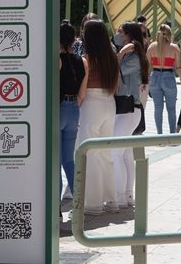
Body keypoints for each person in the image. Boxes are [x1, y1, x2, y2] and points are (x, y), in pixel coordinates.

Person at [76, 19, 120, 215]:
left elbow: (83, 90)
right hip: (109, 103)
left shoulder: (87, 59)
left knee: (88, 153)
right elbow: (116, 86)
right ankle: (112, 200)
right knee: (104, 153)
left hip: (91, 104)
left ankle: (92, 203)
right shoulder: (112, 58)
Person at [113, 22, 149, 207]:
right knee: (126, 154)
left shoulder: (133, 56)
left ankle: (119, 196)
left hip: (128, 109)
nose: (117, 34)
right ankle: (127, 195)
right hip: (128, 109)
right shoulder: (134, 53)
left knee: (115, 153)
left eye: (120, 32)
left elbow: (116, 71)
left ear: (128, 35)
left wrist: (119, 54)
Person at [59, 21, 85, 201]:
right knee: (69, 159)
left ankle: (56, 205)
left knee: (54, 161)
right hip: (74, 109)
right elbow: (82, 94)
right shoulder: (81, 60)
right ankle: (78, 201)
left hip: (58, 108)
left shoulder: (56, 59)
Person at [147, 24, 181, 133]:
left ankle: (159, 134)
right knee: (171, 109)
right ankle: (172, 135)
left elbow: (148, 66)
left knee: (158, 108)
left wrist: (145, 79)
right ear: (169, 34)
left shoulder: (152, 46)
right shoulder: (174, 47)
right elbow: (178, 66)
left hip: (155, 76)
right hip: (168, 76)